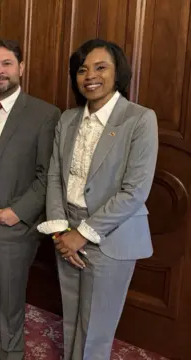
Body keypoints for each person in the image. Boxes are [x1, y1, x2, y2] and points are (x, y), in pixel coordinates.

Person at [37, 39, 158, 360]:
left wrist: (82, 235)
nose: (90, 75)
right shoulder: (68, 119)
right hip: (67, 233)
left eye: (100, 67)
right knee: (73, 319)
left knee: (97, 329)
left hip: (111, 237)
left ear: (118, 73)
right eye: (82, 70)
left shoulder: (139, 119)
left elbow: (135, 190)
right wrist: (61, 232)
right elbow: (54, 176)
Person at [0, 39, 61, 360]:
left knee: (10, 300)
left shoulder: (44, 114)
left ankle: (11, 353)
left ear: (21, 67)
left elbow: (48, 174)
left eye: (6, 63)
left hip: (15, 222)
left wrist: (18, 212)